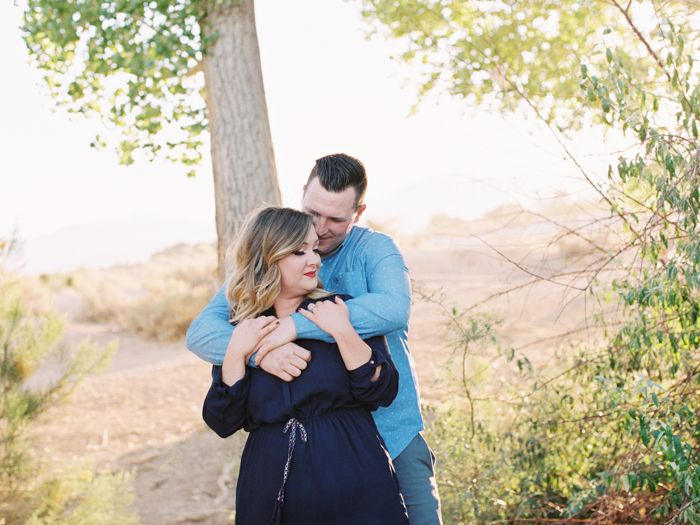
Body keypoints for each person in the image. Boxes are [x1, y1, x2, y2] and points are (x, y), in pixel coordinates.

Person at [187, 153, 443, 525]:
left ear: (358, 212)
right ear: (303, 192)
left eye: (336, 219)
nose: (321, 230)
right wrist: (261, 355)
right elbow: (202, 332)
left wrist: (294, 328)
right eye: (313, 213)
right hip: (302, 458)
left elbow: (392, 309)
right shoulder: (274, 252)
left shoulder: (375, 250)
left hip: (390, 426)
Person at [202, 206, 408, 525]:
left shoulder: (339, 308)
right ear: (267, 256)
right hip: (268, 484)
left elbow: (382, 391)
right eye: (299, 251)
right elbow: (223, 420)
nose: (314, 259)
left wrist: (342, 330)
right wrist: (236, 353)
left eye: (314, 248)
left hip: (353, 475)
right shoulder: (244, 328)